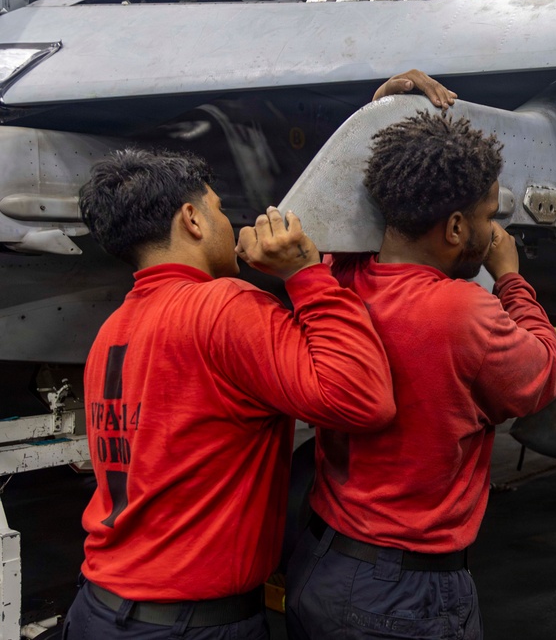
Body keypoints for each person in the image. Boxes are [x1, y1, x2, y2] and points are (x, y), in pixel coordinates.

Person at [62, 147, 395, 639]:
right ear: (192, 219)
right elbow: (361, 398)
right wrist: (305, 272)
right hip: (188, 624)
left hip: (98, 609)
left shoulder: (113, 329)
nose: (229, 223)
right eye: (218, 209)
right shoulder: (223, 304)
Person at [285, 110, 556, 640]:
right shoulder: (462, 311)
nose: (492, 231)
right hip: (404, 592)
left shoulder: (334, 277)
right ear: (456, 227)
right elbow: (545, 373)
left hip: (321, 559)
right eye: (486, 216)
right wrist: (510, 278)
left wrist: (384, 113)